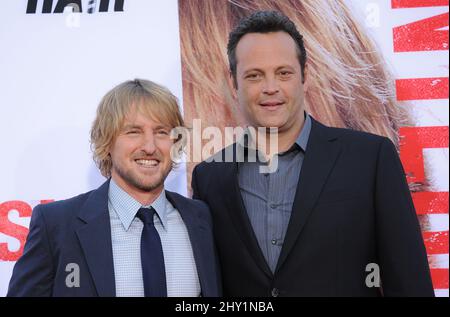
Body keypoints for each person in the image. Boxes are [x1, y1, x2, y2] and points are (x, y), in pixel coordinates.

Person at [191, 11, 434, 296]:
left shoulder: (369, 159)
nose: (271, 88)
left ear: (304, 77)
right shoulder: (210, 176)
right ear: (234, 84)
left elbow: (408, 282)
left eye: (283, 73)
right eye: (254, 76)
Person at [8, 79, 221, 297]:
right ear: (107, 142)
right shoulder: (56, 225)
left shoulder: (201, 219)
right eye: (133, 132)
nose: (150, 146)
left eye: (161, 132)